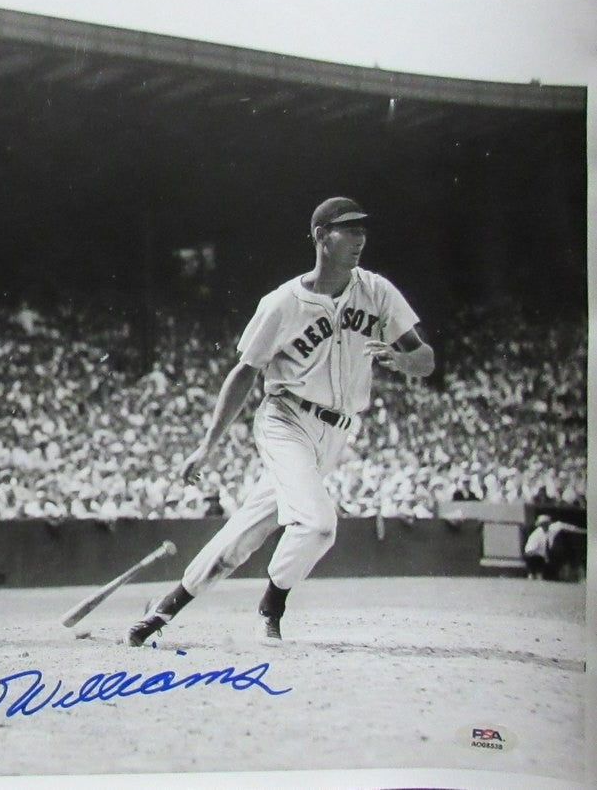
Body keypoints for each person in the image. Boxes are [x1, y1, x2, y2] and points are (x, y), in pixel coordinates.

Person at [128, 197, 435, 646]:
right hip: (285, 419)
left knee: (247, 528)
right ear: (320, 236)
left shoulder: (377, 291)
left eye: (362, 231)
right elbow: (244, 372)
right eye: (348, 230)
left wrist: (401, 361)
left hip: (337, 431)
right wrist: (208, 446)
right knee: (317, 524)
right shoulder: (283, 303)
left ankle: (164, 609)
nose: (359, 239)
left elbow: (424, 359)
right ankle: (272, 606)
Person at [524, 513, 587, 581]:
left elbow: (571, 528)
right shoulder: (536, 535)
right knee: (535, 569)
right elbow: (530, 551)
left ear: (549, 523)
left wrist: (585, 531)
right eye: (542, 524)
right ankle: (533, 575)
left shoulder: (555, 527)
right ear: (540, 525)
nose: (545, 525)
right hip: (535, 556)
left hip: (545, 556)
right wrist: (545, 558)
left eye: (546, 523)